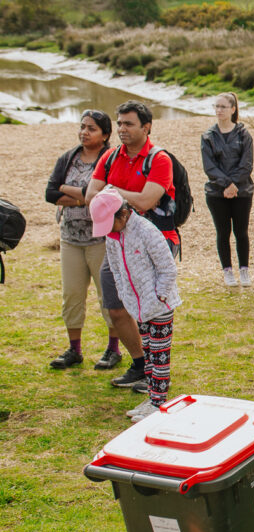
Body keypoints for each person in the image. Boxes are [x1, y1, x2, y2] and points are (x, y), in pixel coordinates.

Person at [83, 101, 178, 391]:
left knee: (152, 311)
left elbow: (148, 201)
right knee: (115, 307)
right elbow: (90, 195)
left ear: (146, 127)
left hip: (154, 241)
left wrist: (112, 193)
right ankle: (140, 365)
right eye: (119, 123)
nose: (122, 129)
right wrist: (123, 196)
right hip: (117, 244)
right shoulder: (110, 157)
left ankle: (156, 377)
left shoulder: (160, 160)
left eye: (129, 124)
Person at [90, 190, 182, 423]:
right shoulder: (112, 237)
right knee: (148, 353)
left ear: (122, 214)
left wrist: (159, 296)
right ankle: (152, 398)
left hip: (159, 306)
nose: (107, 231)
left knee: (160, 355)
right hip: (138, 306)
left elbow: (168, 268)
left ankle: (160, 402)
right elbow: (116, 270)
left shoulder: (146, 231)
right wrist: (125, 295)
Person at [44, 109, 118, 370]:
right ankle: (74, 350)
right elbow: (50, 193)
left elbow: (104, 196)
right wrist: (83, 196)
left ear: (105, 134)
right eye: (82, 126)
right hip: (70, 238)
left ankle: (113, 349)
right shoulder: (68, 158)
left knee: (107, 296)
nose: (84, 132)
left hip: (101, 239)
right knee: (71, 295)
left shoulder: (109, 160)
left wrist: (71, 191)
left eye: (91, 128)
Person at [199, 92, 254, 287]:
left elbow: (246, 164)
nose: (219, 110)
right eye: (216, 106)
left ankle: (244, 270)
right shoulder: (208, 136)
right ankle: (227, 271)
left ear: (233, 109)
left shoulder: (243, 134)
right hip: (216, 192)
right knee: (222, 232)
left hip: (242, 191)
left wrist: (234, 185)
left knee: (241, 231)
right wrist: (226, 184)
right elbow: (209, 167)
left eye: (223, 107)